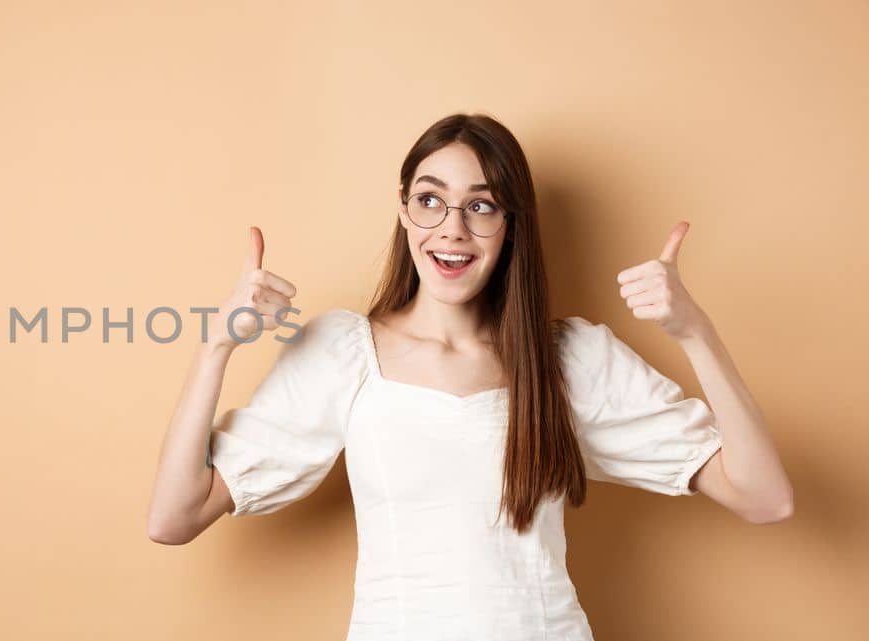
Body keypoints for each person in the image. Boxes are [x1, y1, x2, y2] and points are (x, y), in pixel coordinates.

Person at [144, 113, 793, 640]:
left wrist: (694, 332)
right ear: (404, 211)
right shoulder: (344, 353)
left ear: (510, 227)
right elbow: (174, 516)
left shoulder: (568, 359)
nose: (452, 228)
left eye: (481, 206)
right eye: (431, 200)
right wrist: (214, 349)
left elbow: (765, 497)